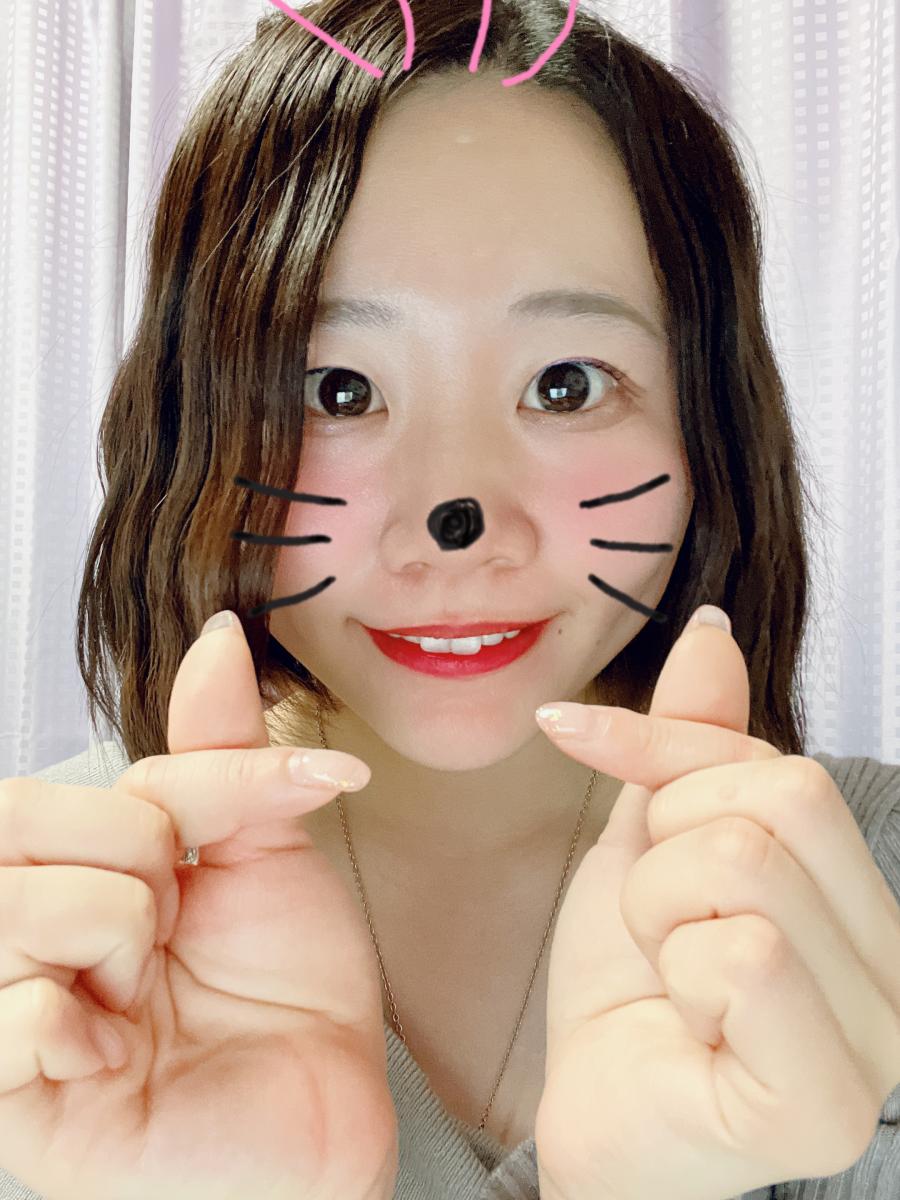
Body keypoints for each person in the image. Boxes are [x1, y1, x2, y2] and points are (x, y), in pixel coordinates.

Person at [2, 2, 898, 1198]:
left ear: (709, 423)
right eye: (336, 389)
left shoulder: (871, 880)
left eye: (567, 384)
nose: (455, 511)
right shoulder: (45, 959)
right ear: (192, 422)